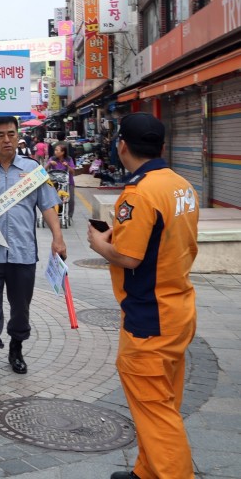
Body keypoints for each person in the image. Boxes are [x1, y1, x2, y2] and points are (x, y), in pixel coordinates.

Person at [87, 112, 198, 479]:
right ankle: (146, 471)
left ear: (122, 146)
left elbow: (130, 256)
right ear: (162, 147)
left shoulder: (139, 193)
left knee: (156, 411)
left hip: (149, 317)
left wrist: (100, 245)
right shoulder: (181, 185)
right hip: (178, 306)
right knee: (163, 401)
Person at [0, 116, 67, 388]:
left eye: (11, 134)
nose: (6, 140)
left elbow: (47, 206)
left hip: (23, 254)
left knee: (21, 308)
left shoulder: (32, 169)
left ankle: (16, 348)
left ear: (18, 136)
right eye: (0, 135)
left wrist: (58, 237)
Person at [46, 142, 76, 222]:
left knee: (71, 199)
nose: (55, 152)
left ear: (62, 152)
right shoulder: (52, 159)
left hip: (68, 182)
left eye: (57, 150)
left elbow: (73, 172)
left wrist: (67, 166)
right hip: (54, 183)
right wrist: (49, 164)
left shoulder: (69, 159)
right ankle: (51, 214)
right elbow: (44, 169)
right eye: (55, 150)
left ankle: (70, 216)